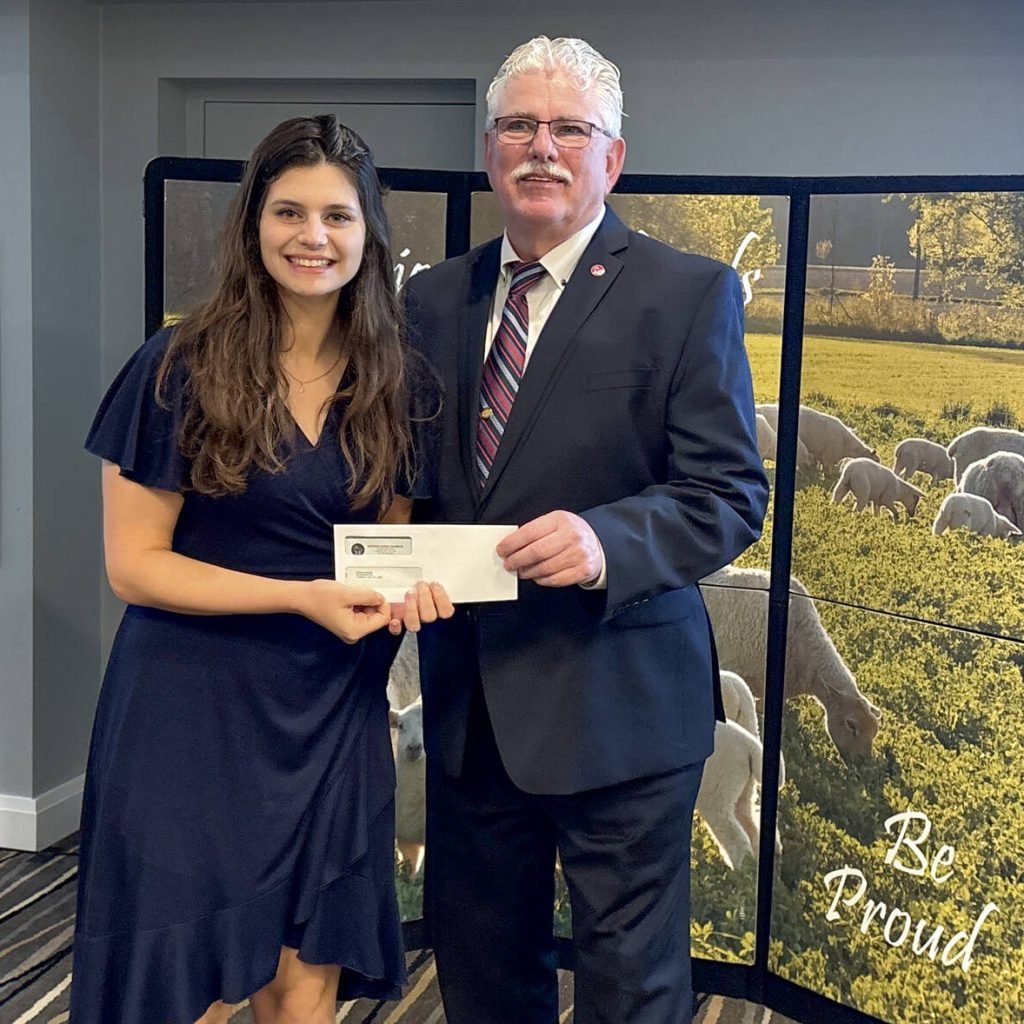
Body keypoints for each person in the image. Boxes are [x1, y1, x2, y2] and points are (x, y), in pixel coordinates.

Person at [404, 36, 769, 1024]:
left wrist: (610, 541)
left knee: (629, 984)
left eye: (570, 128)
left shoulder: (686, 294)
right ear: (489, 151)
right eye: (519, 125)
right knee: (480, 964)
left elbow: (730, 492)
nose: (541, 147)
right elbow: (411, 482)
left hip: (619, 704)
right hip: (470, 705)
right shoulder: (431, 299)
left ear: (611, 156)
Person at [70, 115, 452, 1024]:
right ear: (252, 226)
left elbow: (391, 553)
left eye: (336, 216)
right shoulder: (176, 367)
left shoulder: (403, 387)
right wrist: (300, 597)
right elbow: (135, 567)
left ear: (369, 234)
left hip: (331, 715)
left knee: (301, 979)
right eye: (288, 212)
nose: (312, 237)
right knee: (184, 979)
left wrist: (418, 595)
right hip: (187, 717)